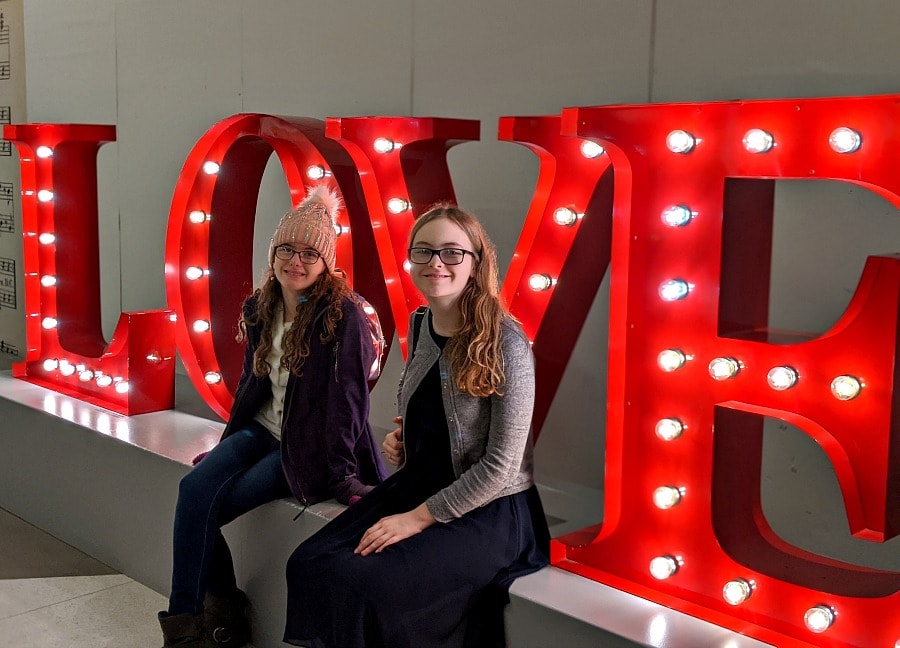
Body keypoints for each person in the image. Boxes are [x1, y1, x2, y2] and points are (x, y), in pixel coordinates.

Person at [283, 204, 550, 648]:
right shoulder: (422, 324)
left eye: (451, 252)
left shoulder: (507, 342)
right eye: (423, 252)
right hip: (418, 484)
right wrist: (404, 441)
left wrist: (416, 520)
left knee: (367, 584)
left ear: (476, 262)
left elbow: (501, 467)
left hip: (488, 509)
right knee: (308, 562)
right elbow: (435, 413)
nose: (435, 264)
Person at [158, 185, 388, 648]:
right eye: (286, 249)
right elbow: (250, 388)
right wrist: (227, 447)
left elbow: (349, 405)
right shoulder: (260, 304)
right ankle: (197, 618)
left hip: (305, 447)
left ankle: (209, 622)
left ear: (327, 262)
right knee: (192, 491)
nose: (295, 262)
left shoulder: (343, 317)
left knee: (209, 507)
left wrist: (344, 476)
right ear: (273, 252)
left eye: (309, 253)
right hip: (260, 430)